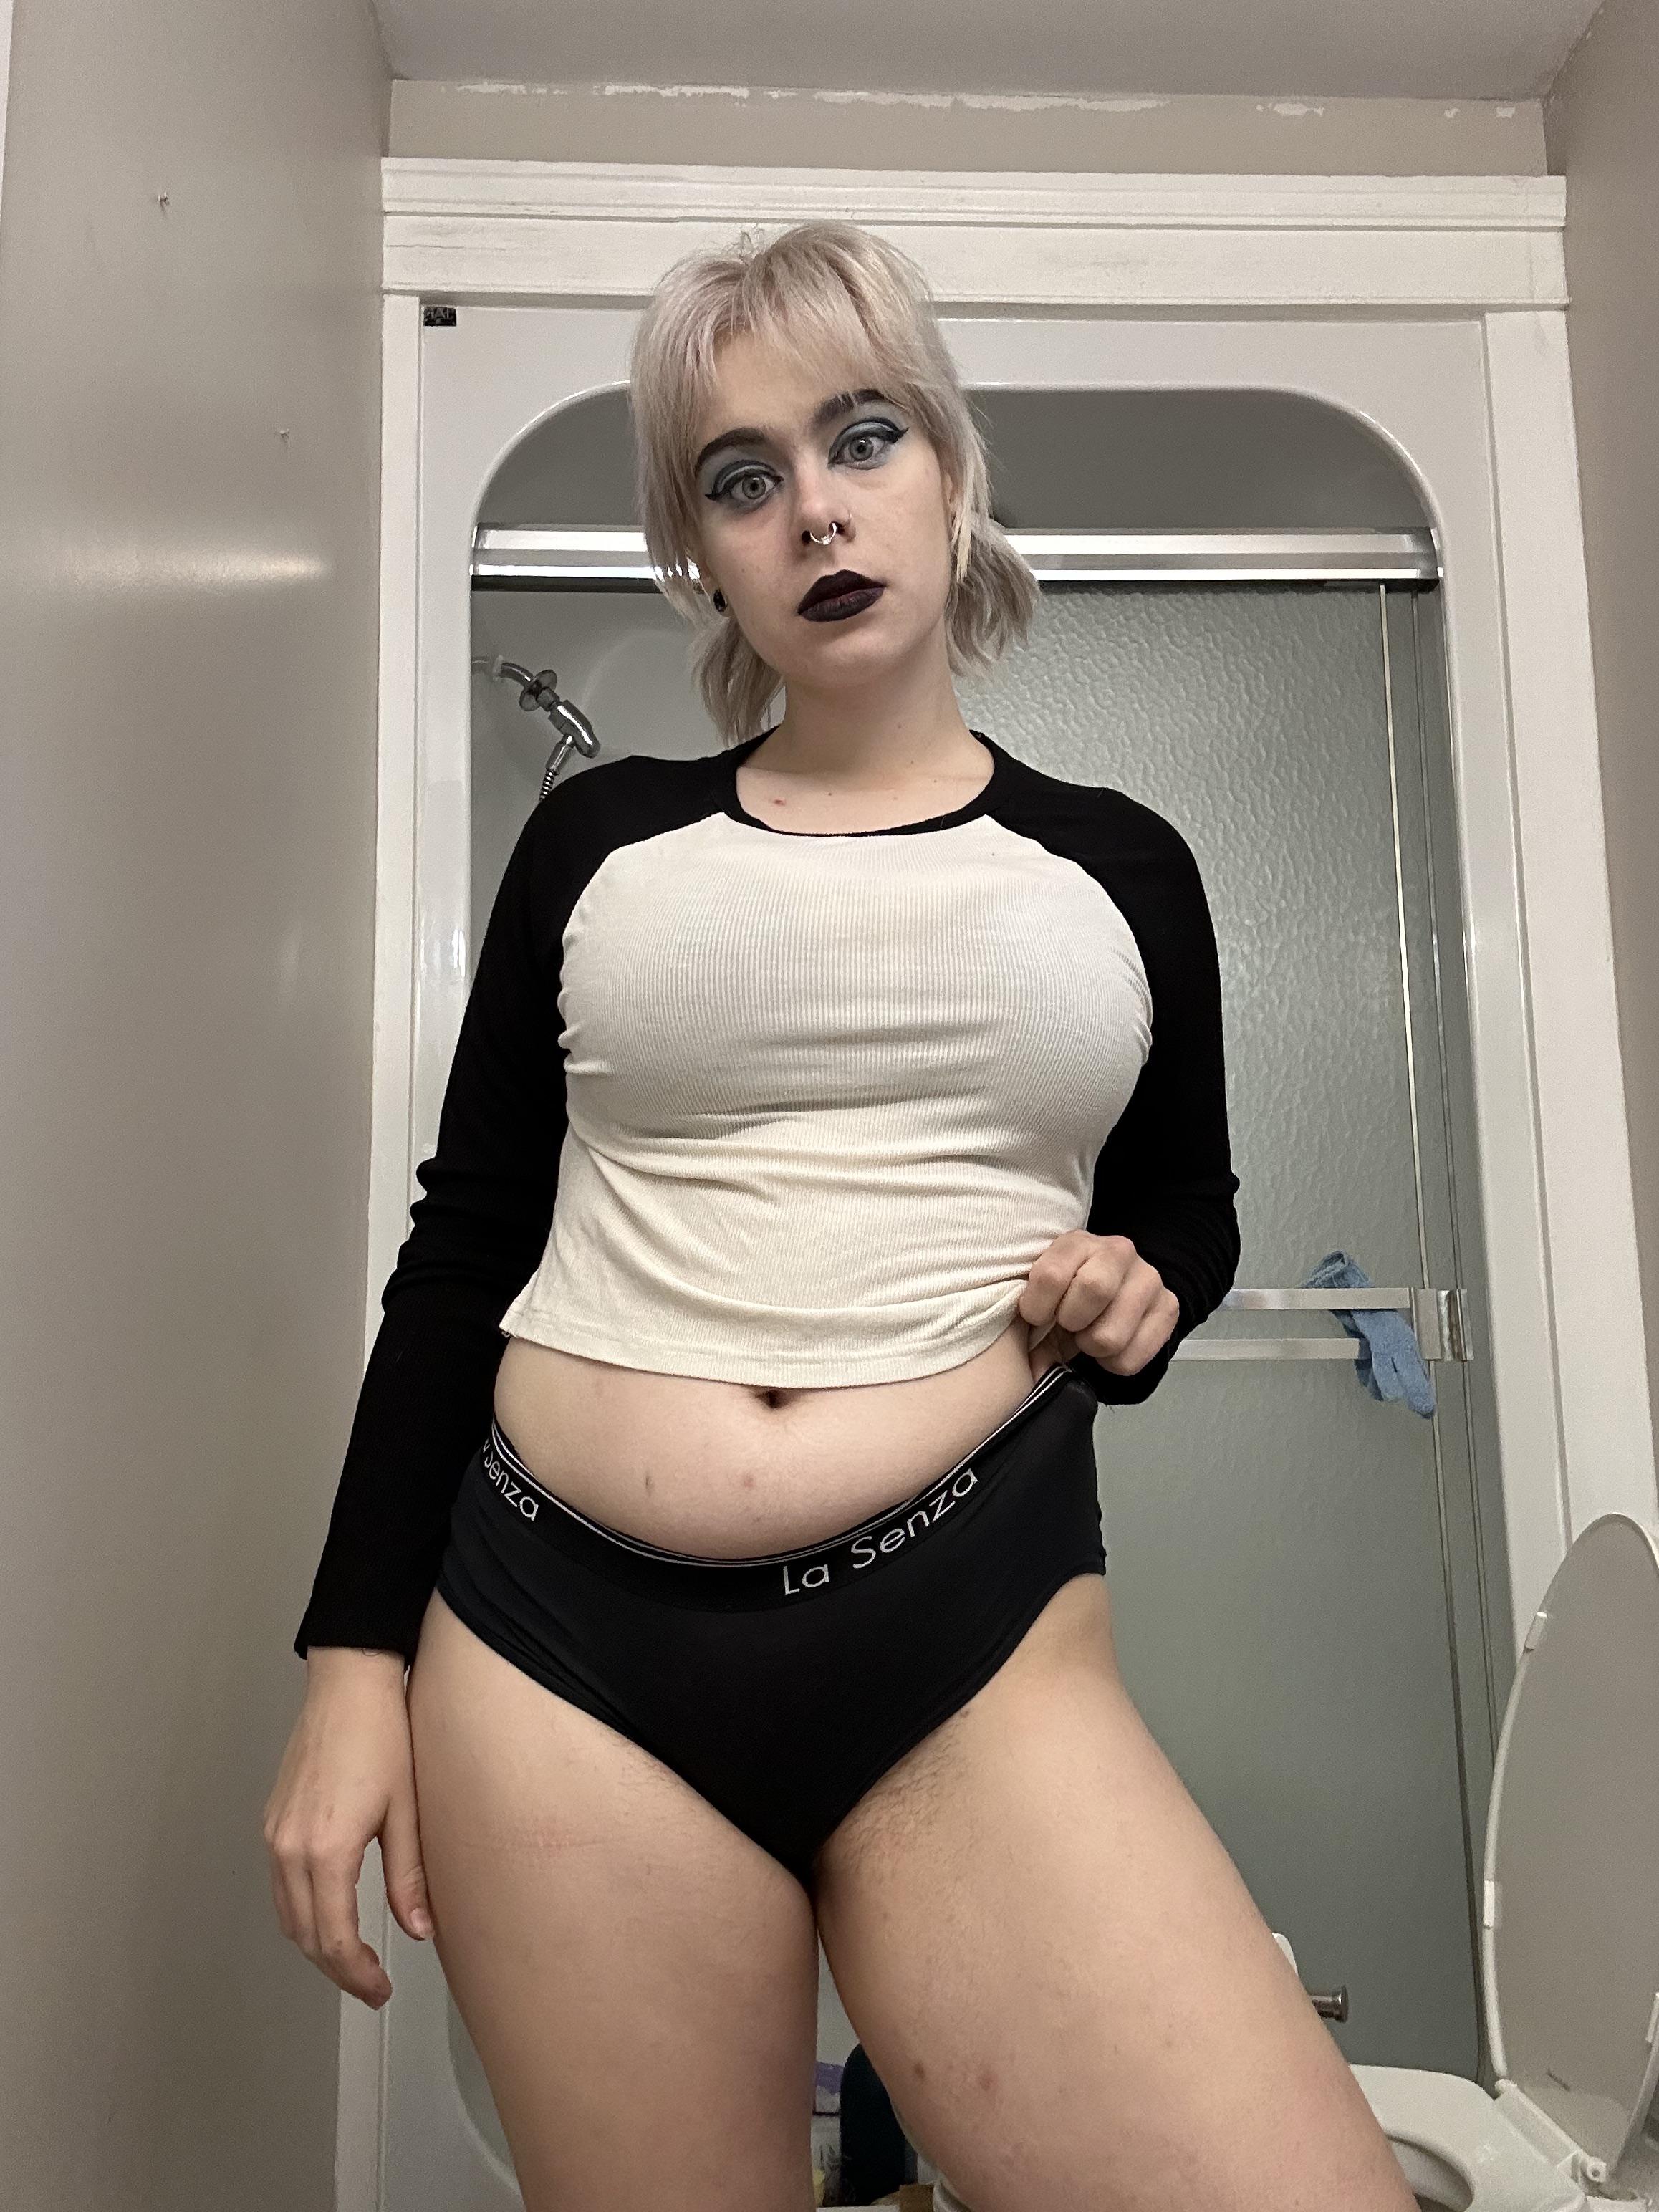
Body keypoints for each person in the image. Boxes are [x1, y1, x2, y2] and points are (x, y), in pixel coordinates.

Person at [264, 218, 1418, 2211]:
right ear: (700, 555)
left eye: (862, 438)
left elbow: (1186, 1215)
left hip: (969, 1632)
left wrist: (1140, 1291)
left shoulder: (1119, 866)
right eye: (743, 478)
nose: (814, 507)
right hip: (556, 1653)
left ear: (949, 474)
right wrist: (351, 1662)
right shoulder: (599, 841)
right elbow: (463, 1249)